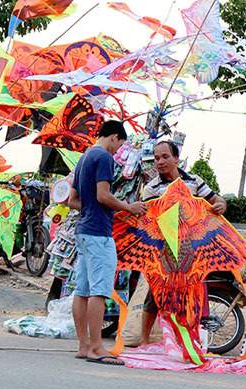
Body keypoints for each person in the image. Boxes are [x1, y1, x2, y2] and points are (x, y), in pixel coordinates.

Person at [67, 121, 146, 365]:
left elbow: (73, 200)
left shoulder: (84, 157)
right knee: (99, 290)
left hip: (83, 230)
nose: (118, 151)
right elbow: (103, 195)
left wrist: (101, 209)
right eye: (119, 145)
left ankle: (84, 345)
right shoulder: (103, 157)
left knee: (81, 290)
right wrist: (128, 207)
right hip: (98, 233)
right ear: (114, 137)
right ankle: (97, 348)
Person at [137, 140, 225, 346]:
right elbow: (147, 222)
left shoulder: (194, 181)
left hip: (193, 252)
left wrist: (221, 205)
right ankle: (144, 339)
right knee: (155, 294)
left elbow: (217, 200)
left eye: (165, 157)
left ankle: (187, 341)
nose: (160, 162)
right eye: (156, 158)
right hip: (164, 252)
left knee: (190, 295)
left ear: (177, 159)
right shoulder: (152, 188)